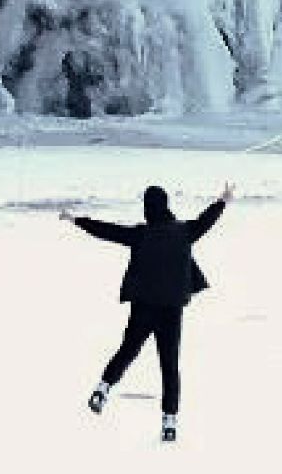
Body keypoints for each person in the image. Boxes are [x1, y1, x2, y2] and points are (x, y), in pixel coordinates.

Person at [63, 181, 232, 443]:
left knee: (127, 351)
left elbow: (108, 231)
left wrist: (77, 220)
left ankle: (102, 390)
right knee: (169, 366)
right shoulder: (184, 232)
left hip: (143, 307)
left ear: (147, 208)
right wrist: (223, 200)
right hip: (172, 311)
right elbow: (206, 220)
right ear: (166, 206)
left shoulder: (141, 234)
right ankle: (169, 423)